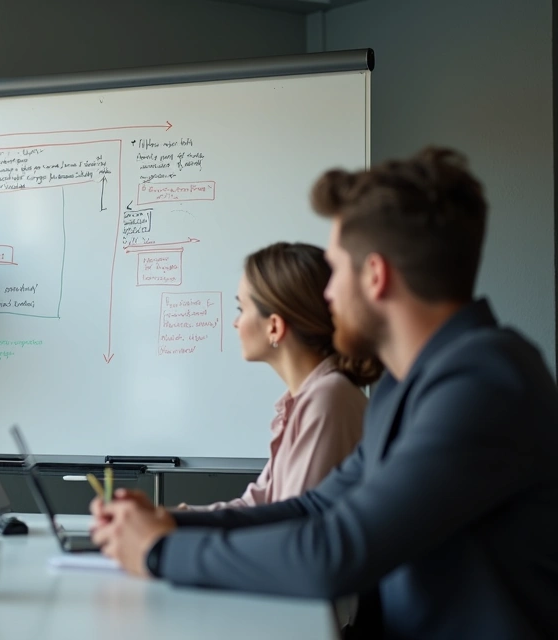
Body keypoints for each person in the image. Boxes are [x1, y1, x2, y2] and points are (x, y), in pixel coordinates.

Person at [90, 148, 558, 639]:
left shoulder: (486, 383)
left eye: (335, 271)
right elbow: (314, 508)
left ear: (375, 276)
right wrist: (166, 524)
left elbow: (335, 553)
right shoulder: (408, 384)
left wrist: (159, 551)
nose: (327, 295)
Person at [181, 243, 381, 510]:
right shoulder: (307, 398)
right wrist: (174, 519)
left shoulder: (327, 400)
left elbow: (290, 525)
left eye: (241, 309)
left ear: (274, 326)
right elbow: (258, 504)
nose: (235, 323)